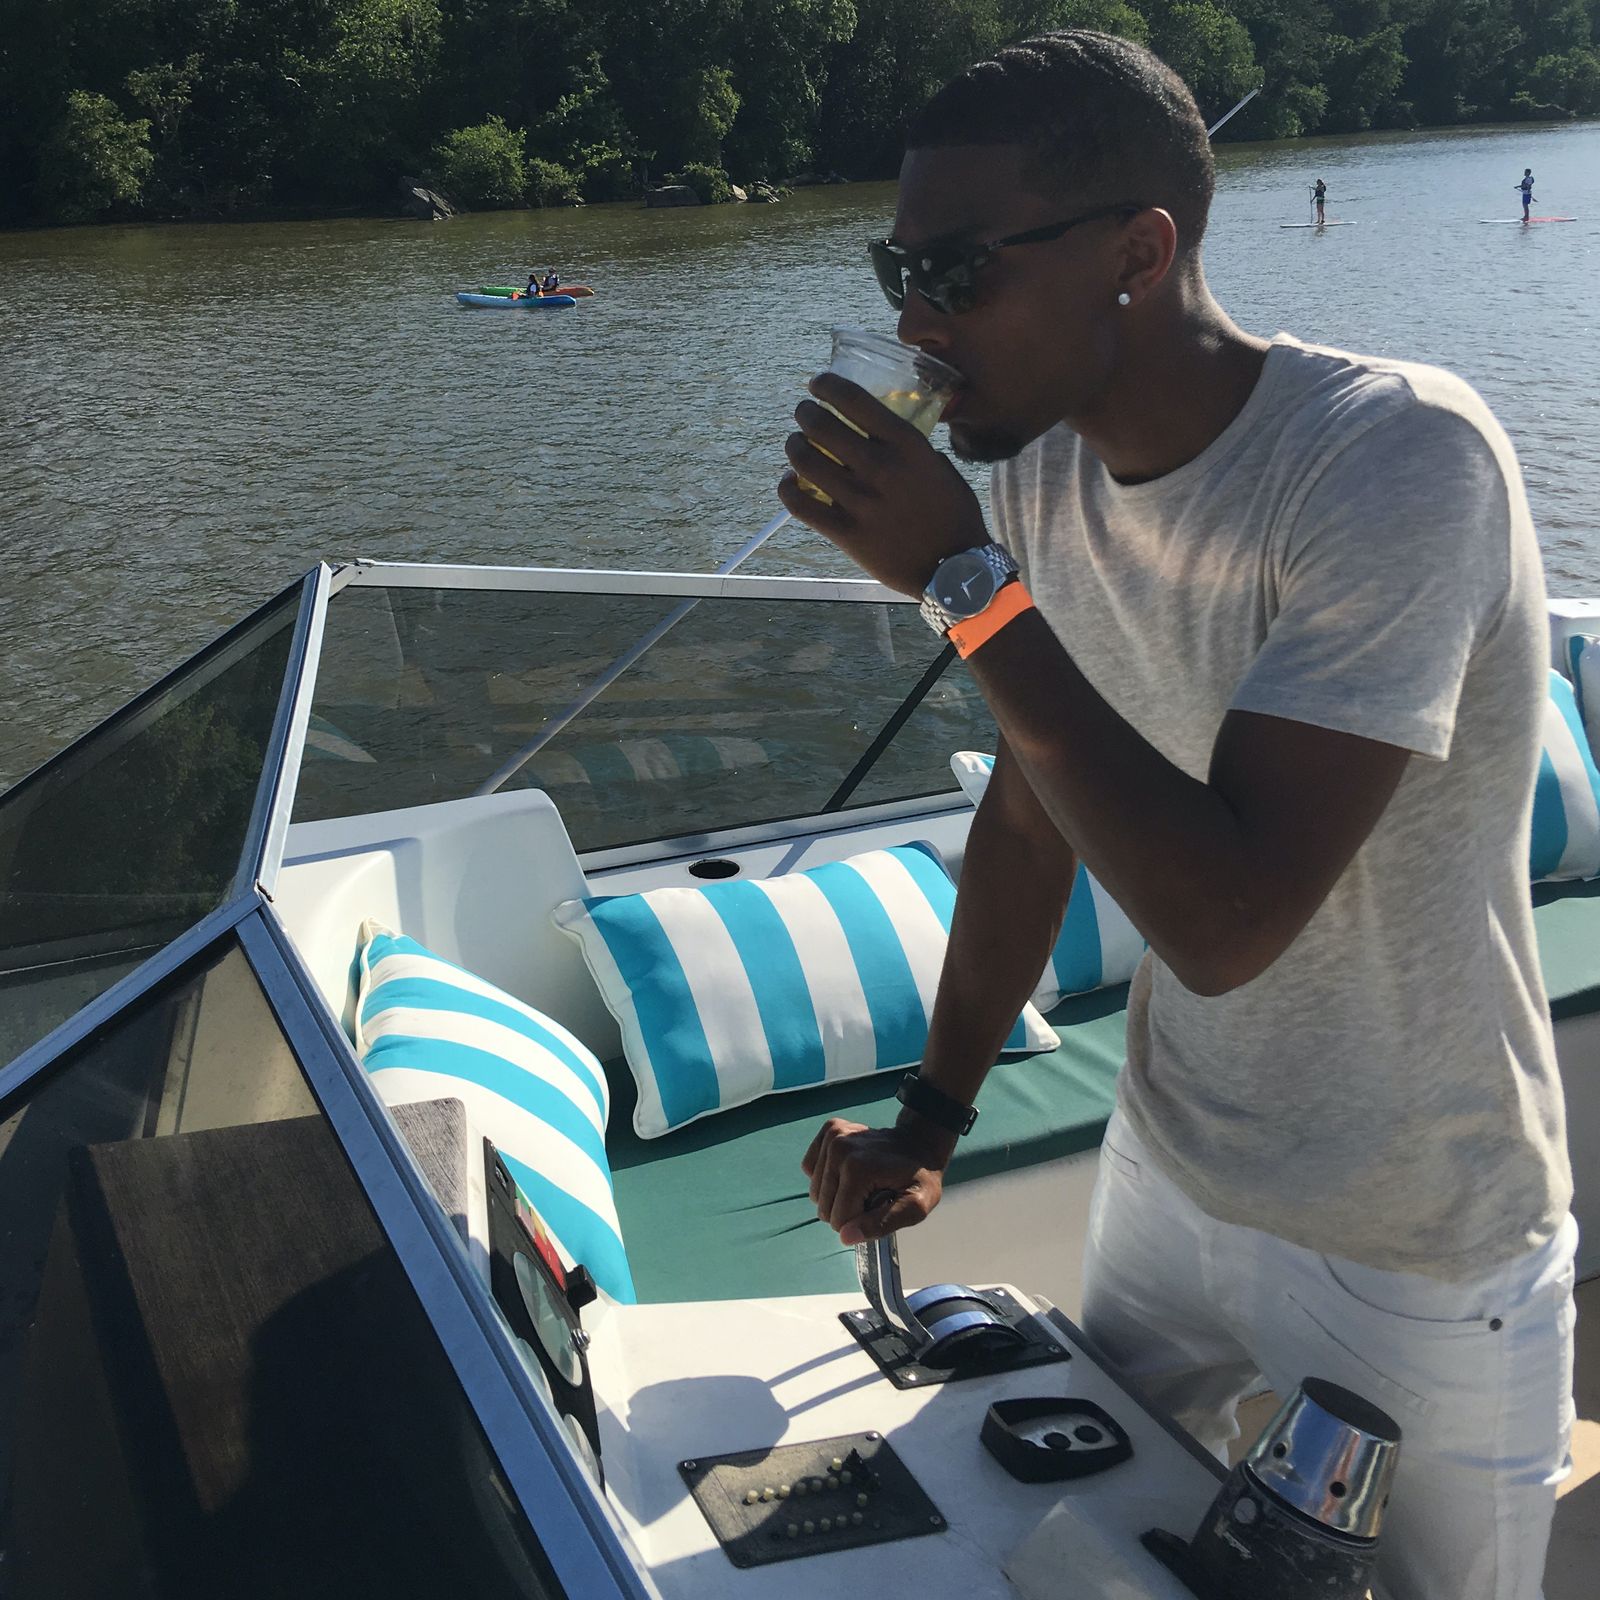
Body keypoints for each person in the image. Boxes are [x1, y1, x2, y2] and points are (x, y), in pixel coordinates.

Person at [779, 30, 1573, 1600]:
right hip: (1169, 1165)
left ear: (1139, 255)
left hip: (1411, 1226)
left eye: (953, 271)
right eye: (895, 271)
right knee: (1094, 1554)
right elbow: (1033, 822)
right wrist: (933, 1120)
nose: (915, 323)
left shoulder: (1397, 460)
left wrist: (966, 588)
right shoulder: (1041, 477)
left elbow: (1225, 924)